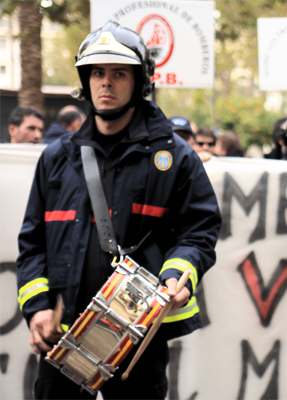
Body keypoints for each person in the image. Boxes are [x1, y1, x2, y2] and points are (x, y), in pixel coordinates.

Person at [16, 21, 221, 399]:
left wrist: (180, 273)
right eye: (97, 72)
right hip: (62, 334)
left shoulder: (175, 158)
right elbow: (32, 246)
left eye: (118, 73)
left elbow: (199, 231)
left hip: (136, 336)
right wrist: (38, 309)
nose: (105, 83)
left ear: (140, 82)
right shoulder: (56, 159)